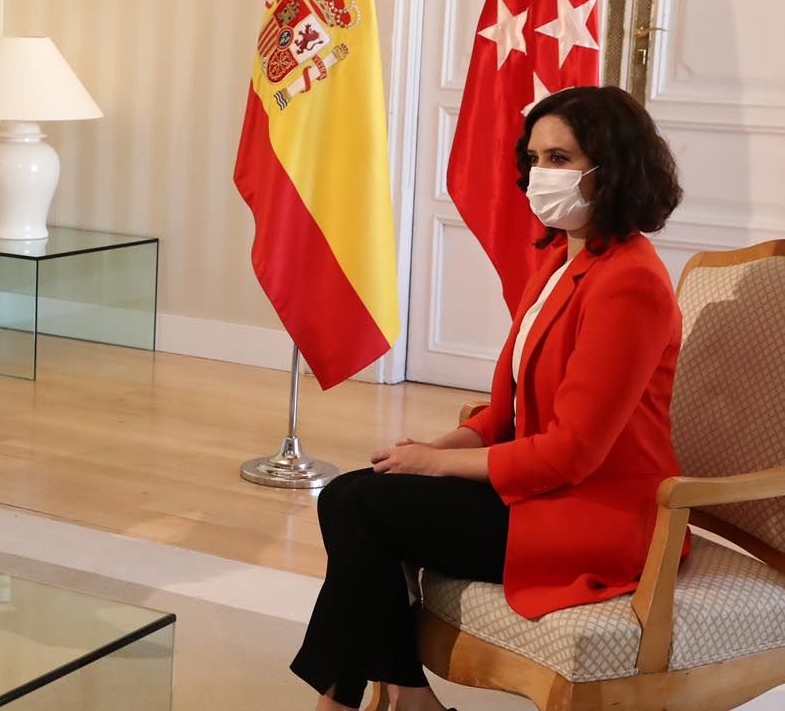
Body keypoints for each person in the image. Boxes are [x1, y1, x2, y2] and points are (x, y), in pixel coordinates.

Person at [291, 86, 686, 711]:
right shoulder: (560, 259)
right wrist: (435, 447)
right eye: (534, 159)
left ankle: (356, 698)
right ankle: (403, 694)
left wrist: (437, 466)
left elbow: (571, 454)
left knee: (362, 508)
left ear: (613, 169)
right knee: (348, 494)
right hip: (541, 490)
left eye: (559, 159)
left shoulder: (631, 283)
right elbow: (504, 413)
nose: (538, 175)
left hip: (596, 514)